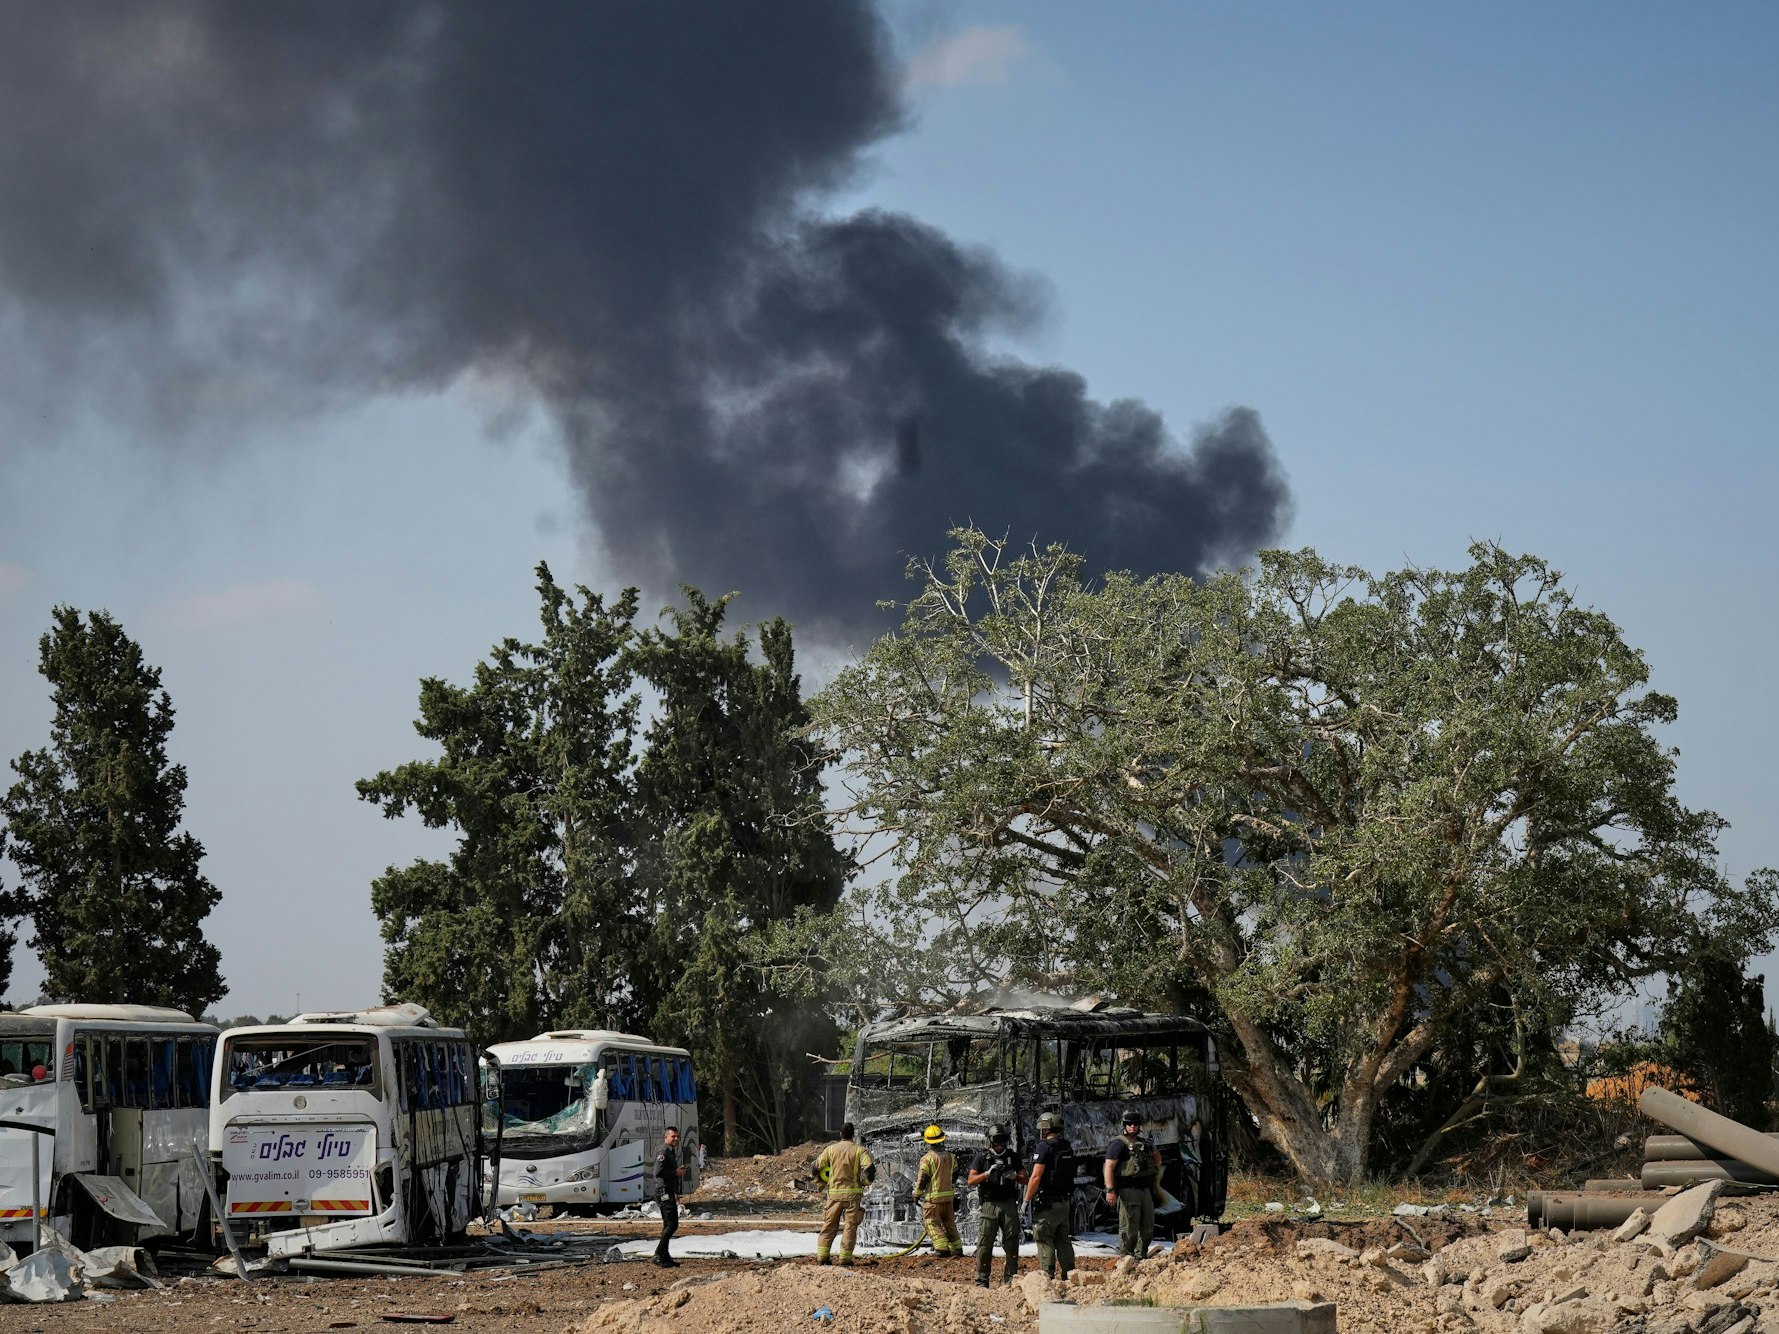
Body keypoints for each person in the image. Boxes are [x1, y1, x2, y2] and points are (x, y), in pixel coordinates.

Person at [968, 1123, 1027, 1289]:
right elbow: (971, 1180)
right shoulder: (982, 1157)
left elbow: (1025, 1178)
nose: (1000, 1146)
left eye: (1003, 1143)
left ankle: (1010, 1279)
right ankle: (982, 1280)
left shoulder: (1012, 1156)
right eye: (997, 1143)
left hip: (1009, 1204)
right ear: (990, 1142)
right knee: (984, 1244)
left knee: (1012, 1243)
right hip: (989, 1204)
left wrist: (1014, 1176)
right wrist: (987, 1174)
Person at [1103, 1107, 1163, 1259]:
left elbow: (1157, 1163)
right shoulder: (1118, 1144)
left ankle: (1141, 1256)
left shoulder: (1144, 1143)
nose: (1132, 1127)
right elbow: (1108, 1167)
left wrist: (1153, 1148)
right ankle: (1127, 1258)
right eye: (1129, 1124)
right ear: (1124, 1125)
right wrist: (1110, 1190)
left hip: (1145, 1190)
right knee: (1129, 1228)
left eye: (1135, 1124)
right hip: (1128, 1190)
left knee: (1148, 1226)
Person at [1023, 1111, 1076, 1280]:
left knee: (1044, 1239)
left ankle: (1047, 1277)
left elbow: (1036, 1176)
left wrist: (1026, 1200)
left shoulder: (1044, 1147)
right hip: (1064, 1202)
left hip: (1047, 1204)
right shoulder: (1066, 1146)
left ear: (1045, 1129)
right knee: (1063, 1239)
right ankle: (1071, 1275)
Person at [814, 1121, 875, 1266]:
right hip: (853, 1196)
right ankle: (845, 1259)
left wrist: (821, 1181)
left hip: (834, 1195)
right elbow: (870, 1170)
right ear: (853, 1135)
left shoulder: (830, 1150)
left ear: (840, 1134)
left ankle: (822, 1257)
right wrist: (865, 1182)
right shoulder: (860, 1151)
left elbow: (815, 1167)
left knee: (829, 1225)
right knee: (850, 1227)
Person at [912, 1124, 963, 1257]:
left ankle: (942, 1248)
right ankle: (957, 1248)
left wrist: (917, 1194)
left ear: (927, 1142)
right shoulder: (951, 1156)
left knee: (931, 1223)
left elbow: (923, 1179)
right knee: (949, 1223)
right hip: (948, 1198)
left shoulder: (927, 1158)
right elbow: (955, 1175)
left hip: (933, 1199)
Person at [652, 1126, 689, 1268]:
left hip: (668, 1191)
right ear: (666, 1137)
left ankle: (665, 1256)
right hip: (663, 1192)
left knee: (668, 1224)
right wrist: (675, 1173)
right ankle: (658, 1254)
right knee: (672, 1224)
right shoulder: (663, 1152)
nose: (676, 1139)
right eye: (673, 1136)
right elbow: (658, 1173)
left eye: (678, 1136)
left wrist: (675, 1191)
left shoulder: (670, 1152)